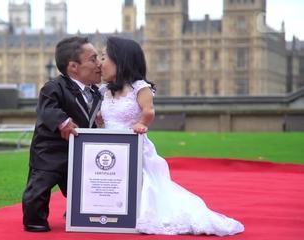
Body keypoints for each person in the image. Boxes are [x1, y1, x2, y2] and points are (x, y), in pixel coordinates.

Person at [99, 36, 245, 236]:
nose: (100, 63)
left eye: (104, 57)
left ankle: (138, 214)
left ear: (120, 60)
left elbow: (148, 111)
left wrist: (142, 123)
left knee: (143, 183)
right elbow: (104, 116)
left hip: (133, 145)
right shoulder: (104, 91)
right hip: (109, 147)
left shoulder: (140, 88)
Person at [22, 36, 102, 232]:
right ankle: (35, 219)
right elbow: (46, 109)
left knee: (83, 188)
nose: (99, 64)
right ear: (73, 67)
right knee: (39, 188)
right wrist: (63, 121)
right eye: (93, 59)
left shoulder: (95, 93)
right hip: (50, 152)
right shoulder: (54, 87)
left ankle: (77, 212)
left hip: (77, 154)